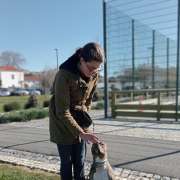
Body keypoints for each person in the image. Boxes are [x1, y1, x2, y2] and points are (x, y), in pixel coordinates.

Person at [49, 42, 104, 180]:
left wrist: (84, 115)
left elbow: (89, 99)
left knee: (80, 162)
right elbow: (62, 111)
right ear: (81, 60)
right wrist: (81, 133)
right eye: (91, 67)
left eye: (97, 69)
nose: (93, 72)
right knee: (67, 163)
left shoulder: (94, 75)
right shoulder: (64, 75)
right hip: (61, 124)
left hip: (80, 123)